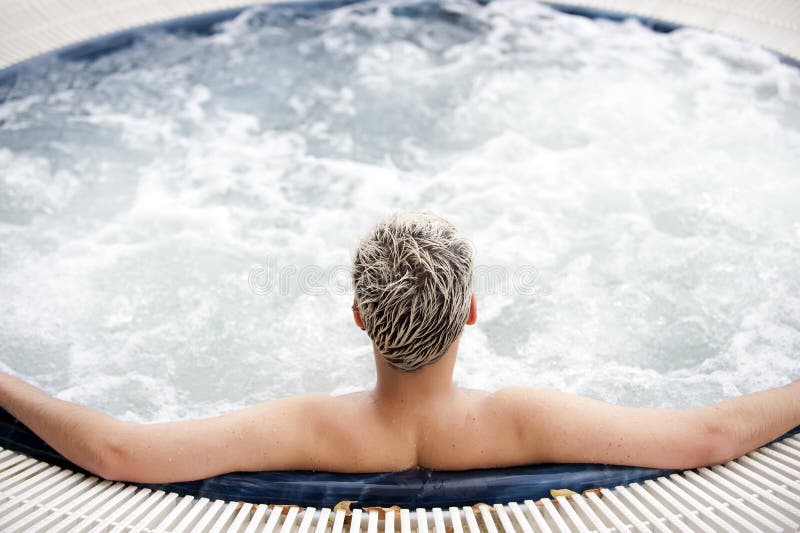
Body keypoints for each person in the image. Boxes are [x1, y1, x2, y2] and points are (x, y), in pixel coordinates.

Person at [0, 212, 798, 484]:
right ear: (473, 312)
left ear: (357, 316)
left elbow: (118, 451)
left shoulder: (314, 427)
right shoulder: (519, 420)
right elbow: (712, 435)